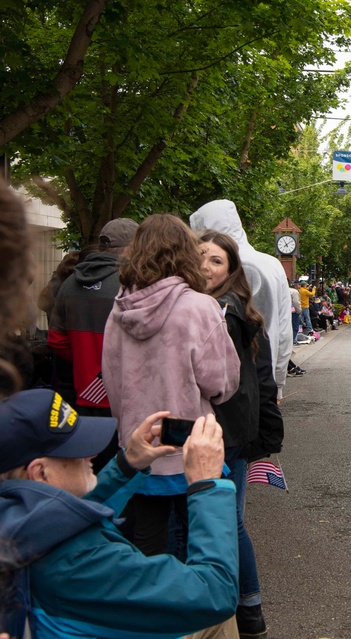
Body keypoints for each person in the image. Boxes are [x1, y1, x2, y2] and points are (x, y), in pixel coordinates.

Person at [0, 391, 239, 639]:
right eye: (75, 448)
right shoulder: (84, 561)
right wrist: (206, 485)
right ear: (39, 473)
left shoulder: (19, 523)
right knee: (219, 619)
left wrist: (128, 464)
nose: (90, 454)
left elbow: (65, 516)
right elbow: (215, 592)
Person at [102, 214, 240, 557]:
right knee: (203, 533)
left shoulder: (120, 310)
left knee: (148, 537)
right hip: (189, 436)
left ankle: (153, 605)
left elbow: (111, 377)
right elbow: (221, 383)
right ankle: (209, 605)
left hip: (139, 438)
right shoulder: (199, 307)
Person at [198, 230, 283, 638]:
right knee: (231, 522)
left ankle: (246, 612)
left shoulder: (220, 313)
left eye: (216, 260)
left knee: (226, 523)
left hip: (222, 434)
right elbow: (265, 380)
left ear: (231, 270)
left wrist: (263, 434)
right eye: (200, 257)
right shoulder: (242, 311)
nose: (206, 267)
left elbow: (245, 383)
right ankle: (248, 611)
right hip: (235, 432)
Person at [47, 218, 140, 472]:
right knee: (122, 476)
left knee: (89, 472)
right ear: (132, 247)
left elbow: (55, 339)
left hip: (82, 397)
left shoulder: (69, 283)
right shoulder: (134, 283)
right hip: (123, 398)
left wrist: (85, 361)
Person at [190, 201, 293, 403]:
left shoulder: (199, 267)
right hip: (264, 377)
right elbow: (283, 330)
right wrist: (278, 382)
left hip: (215, 386)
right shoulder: (272, 264)